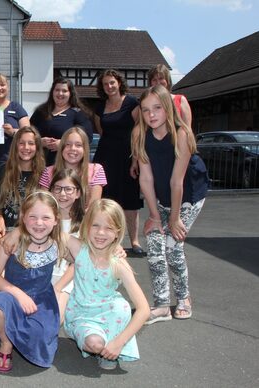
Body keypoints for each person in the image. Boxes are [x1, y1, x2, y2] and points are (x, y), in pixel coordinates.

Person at [132, 85, 209, 324]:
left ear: (167, 108)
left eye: (157, 108)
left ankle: (183, 298)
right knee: (155, 242)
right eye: (146, 110)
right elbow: (145, 178)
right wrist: (155, 216)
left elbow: (178, 182)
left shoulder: (181, 134)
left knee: (173, 246)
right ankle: (162, 304)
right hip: (162, 197)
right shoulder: (139, 135)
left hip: (189, 196)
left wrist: (174, 220)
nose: (151, 115)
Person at [64, 199, 149, 370]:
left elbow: (144, 309)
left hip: (109, 314)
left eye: (109, 228)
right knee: (94, 344)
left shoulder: (118, 264)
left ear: (118, 232)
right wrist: (14, 233)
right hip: (82, 314)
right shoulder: (78, 248)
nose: (101, 233)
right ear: (86, 226)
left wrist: (119, 342)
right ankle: (102, 348)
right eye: (95, 225)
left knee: (121, 306)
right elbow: (48, 229)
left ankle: (113, 347)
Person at [0, 192, 68, 371]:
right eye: (32, 217)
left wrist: (115, 247)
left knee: (39, 336)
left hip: (42, 300)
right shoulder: (12, 242)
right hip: (11, 296)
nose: (39, 223)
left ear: (56, 220)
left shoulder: (58, 243)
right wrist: (18, 294)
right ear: (23, 218)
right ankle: (6, 343)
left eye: (46, 217)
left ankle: (27, 331)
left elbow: (85, 256)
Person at [93, 69, 144, 256]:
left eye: (112, 82)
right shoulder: (100, 107)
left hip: (127, 156)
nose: (109, 86)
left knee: (130, 202)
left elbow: (139, 132)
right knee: (107, 200)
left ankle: (135, 241)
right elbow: (102, 132)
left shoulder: (132, 103)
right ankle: (112, 241)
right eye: (106, 84)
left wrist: (136, 159)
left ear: (119, 83)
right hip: (105, 157)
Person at [0, 126, 45, 239]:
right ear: (15, 146)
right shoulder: (4, 170)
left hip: (32, 230)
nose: (26, 147)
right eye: (21, 143)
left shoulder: (44, 173)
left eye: (31, 143)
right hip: (6, 228)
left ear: (37, 147)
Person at [39, 126, 107, 209]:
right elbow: (44, 205)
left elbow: (93, 208)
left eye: (78, 145)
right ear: (62, 148)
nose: (73, 148)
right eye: (68, 144)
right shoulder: (48, 172)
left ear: (85, 149)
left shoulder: (96, 170)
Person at [30, 77, 93, 166]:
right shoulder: (41, 112)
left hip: (66, 165)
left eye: (64, 91)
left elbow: (87, 138)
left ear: (70, 94)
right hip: (39, 164)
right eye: (57, 90)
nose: (60, 93)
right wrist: (39, 141)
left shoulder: (78, 114)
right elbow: (28, 134)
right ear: (52, 92)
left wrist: (64, 143)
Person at [49, 169, 85, 323]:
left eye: (68, 189)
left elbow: (79, 262)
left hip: (68, 279)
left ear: (77, 193)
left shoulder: (85, 222)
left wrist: (58, 288)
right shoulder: (43, 218)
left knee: (55, 320)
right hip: (43, 275)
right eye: (58, 188)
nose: (62, 194)